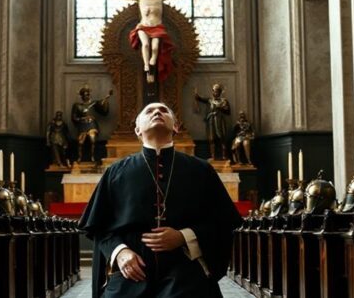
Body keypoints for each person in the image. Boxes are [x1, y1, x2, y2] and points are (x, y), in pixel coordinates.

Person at [79, 102, 242, 298]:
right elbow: (98, 225)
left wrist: (184, 236)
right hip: (131, 269)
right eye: (149, 111)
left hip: (184, 266)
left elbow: (222, 222)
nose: (157, 112)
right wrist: (120, 252)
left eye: (164, 110)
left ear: (176, 127)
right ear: (137, 130)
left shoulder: (201, 170)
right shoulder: (115, 172)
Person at [90, 0, 210, 84]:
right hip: (143, 26)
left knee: (155, 48)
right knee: (146, 45)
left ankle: (152, 62)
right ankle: (147, 65)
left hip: (157, 27)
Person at [71, 85, 113, 162]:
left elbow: (102, 108)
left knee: (93, 140)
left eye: (88, 94)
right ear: (81, 96)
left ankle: (93, 157)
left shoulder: (93, 104)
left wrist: (107, 98)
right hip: (82, 125)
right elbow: (74, 118)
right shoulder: (77, 105)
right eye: (84, 94)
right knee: (80, 142)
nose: (86, 96)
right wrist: (82, 118)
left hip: (91, 125)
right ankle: (79, 157)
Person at [194, 83, 231, 161]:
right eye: (213, 91)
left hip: (219, 120)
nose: (214, 93)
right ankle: (213, 156)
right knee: (211, 139)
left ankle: (224, 155)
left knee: (222, 138)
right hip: (211, 121)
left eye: (216, 91)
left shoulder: (224, 101)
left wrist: (220, 108)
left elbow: (228, 112)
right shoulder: (210, 100)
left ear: (220, 92)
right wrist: (197, 96)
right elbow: (201, 99)